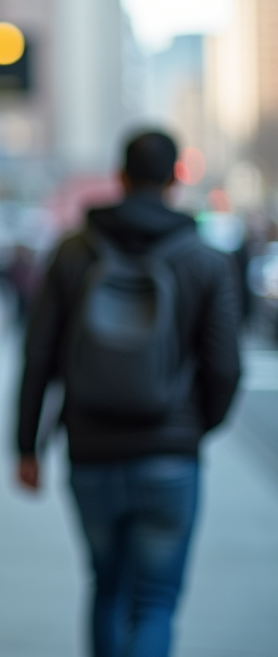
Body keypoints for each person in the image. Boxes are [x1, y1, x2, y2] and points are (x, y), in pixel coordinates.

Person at [15, 130, 241, 657]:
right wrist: (194, 426)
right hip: (170, 456)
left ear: (119, 178)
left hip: (90, 452)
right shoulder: (206, 261)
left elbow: (38, 354)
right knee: (155, 602)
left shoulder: (73, 251)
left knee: (106, 588)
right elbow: (225, 366)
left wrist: (27, 445)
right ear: (176, 179)